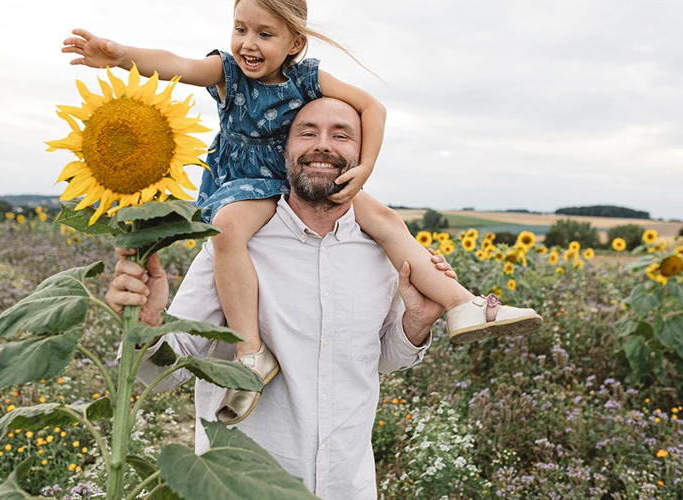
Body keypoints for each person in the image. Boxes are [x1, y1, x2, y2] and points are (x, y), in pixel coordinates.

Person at [64, 0, 542, 425]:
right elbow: (177, 64)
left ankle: (463, 305)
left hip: (294, 182)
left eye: (264, 34)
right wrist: (120, 55)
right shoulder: (227, 72)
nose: (248, 44)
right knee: (227, 231)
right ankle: (250, 352)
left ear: (295, 41)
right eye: (240, 29)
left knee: (388, 222)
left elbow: (373, 107)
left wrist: (365, 169)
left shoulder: (308, 79)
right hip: (246, 183)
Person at [106, 97, 461, 498]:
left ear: (362, 156)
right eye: (308, 132)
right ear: (285, 150)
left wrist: (417, 321)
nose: (323, 145)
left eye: (341, 135)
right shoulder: (233, 246)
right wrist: (149, 326)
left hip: (348, 485)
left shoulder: (381, 252)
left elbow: (380, 359)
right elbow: (161, 372)